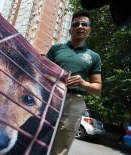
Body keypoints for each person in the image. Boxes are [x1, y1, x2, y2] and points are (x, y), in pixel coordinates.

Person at [46, 10, 102, 155]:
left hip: (74, 101)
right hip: (50, 96)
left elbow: (97, 88)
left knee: (61, 144)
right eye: (76, 24)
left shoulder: (94, 57)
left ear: (89, 29)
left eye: (85, 24)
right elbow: (43, 73)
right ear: (70, 29)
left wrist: (84, 83)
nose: (80, 26)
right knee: (38, 134)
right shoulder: (56, 49)